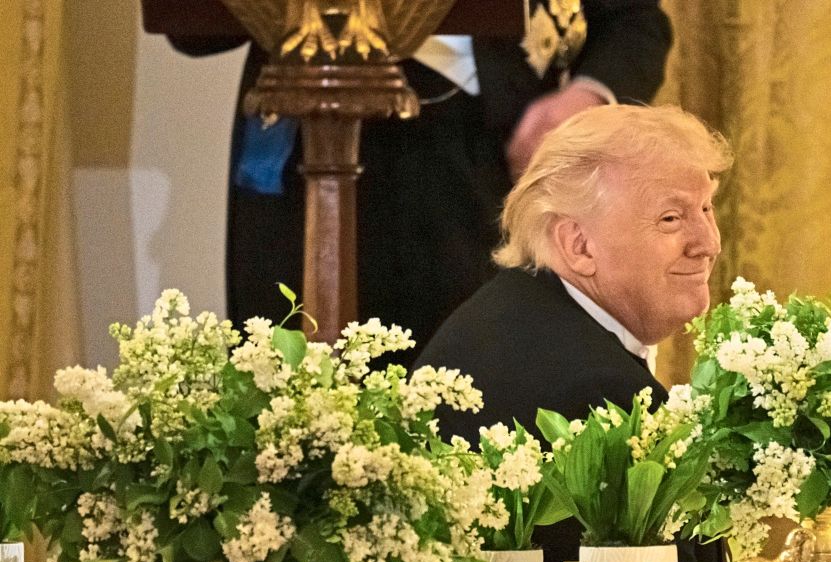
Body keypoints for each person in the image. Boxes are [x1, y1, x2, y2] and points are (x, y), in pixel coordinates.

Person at [168, 1, 673, 357]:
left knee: (474, 401)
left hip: (484, 154)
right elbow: (191, 28)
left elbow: (633, 21)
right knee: (293, 404)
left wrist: (585, 99)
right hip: (303, 138)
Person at [415, 103, 732, 562]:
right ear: (578, 245)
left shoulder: (510, 313)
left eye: (706, 208)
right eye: (671, 219)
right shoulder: (598, 394)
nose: (708, 243)